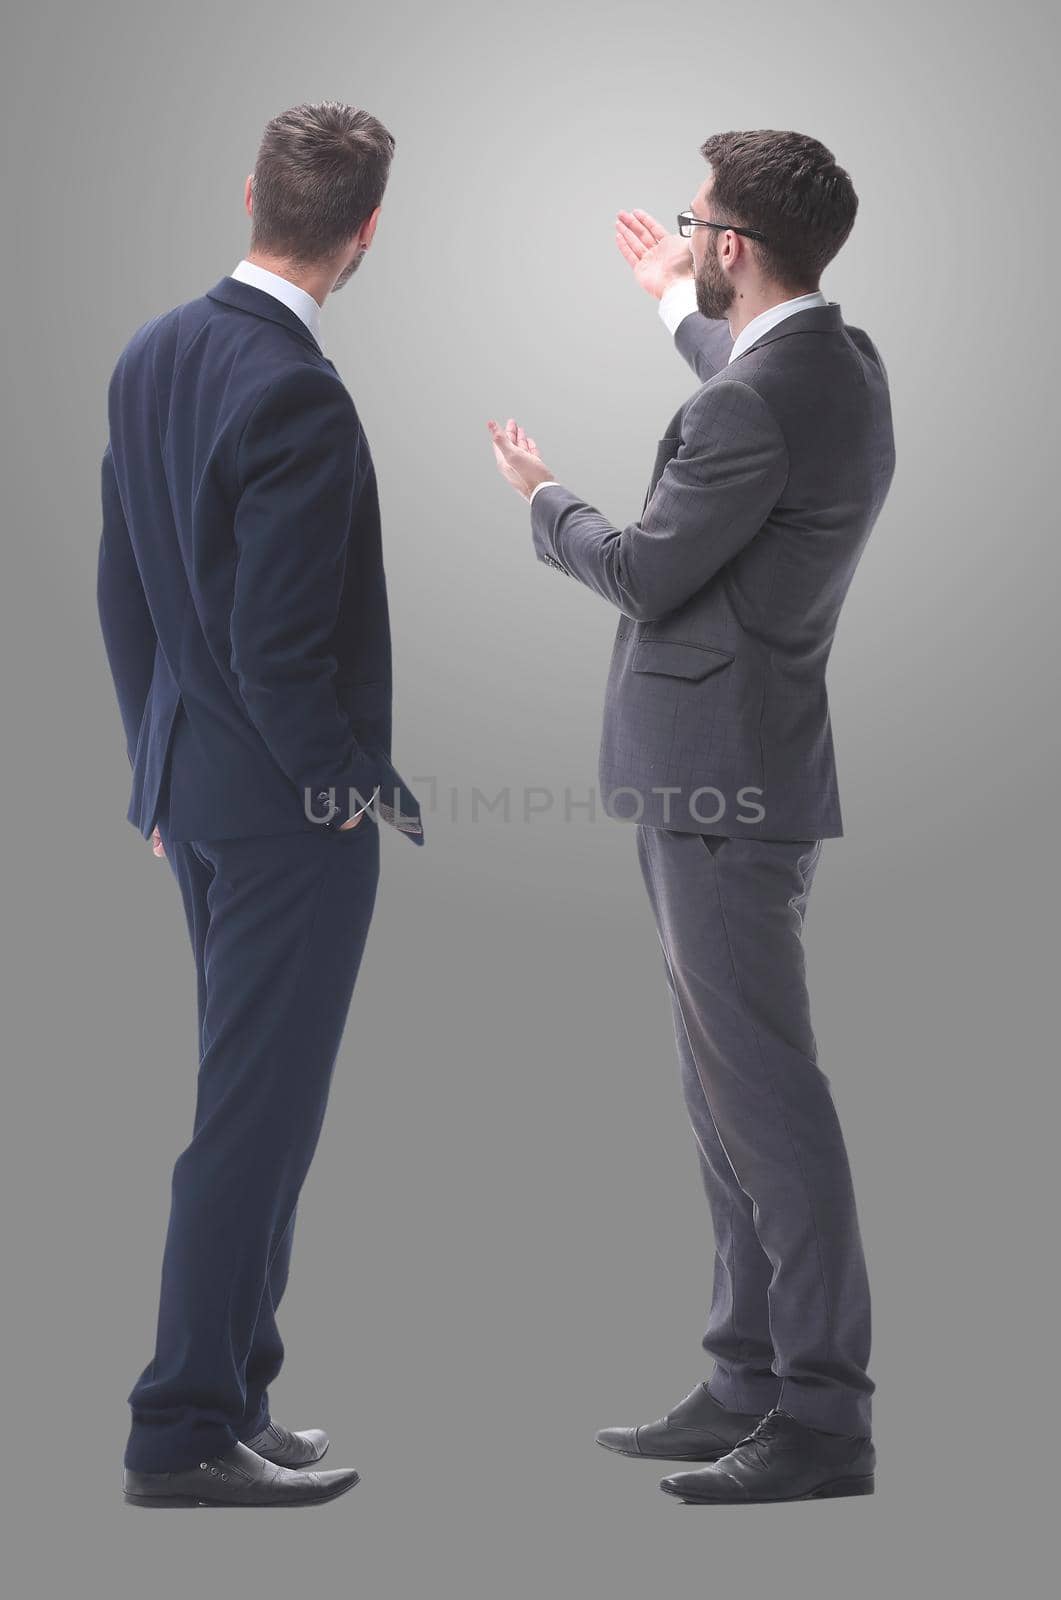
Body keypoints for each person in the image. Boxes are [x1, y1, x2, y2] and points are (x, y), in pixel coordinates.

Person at [488, 129, 895, 1505]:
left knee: (764, 1100)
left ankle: (823, 1418)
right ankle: (742, 1376)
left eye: (695, 223)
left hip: (713, 781)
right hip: (751, 768)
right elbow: (742, 388)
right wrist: (671, 296)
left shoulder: (752, 405)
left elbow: (649, 570)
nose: (687, 234)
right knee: (722, 1091)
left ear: (733, 244)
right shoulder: (837, 365)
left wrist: (543, 500)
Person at [97, 101, 423, 1510]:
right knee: (254, 1118)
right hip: (288, 814)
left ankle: (237, 1392)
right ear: (367, 233)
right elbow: (281, 651)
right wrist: (343, 785)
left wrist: (149, 769)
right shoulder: (298, 393)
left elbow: (126, 590)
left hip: (199, 792)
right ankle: (180, 1429)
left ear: (251, 196)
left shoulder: (151, 353)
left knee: (260, 1108)